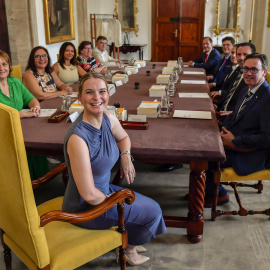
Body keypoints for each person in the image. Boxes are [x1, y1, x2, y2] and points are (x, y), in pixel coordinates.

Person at [62, 72, 166, 266]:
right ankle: (129, 250)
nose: (97, 97)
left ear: (108, 93)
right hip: (85, 208)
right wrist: (117, 201)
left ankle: (128, 238)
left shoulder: (108, 118)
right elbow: (89, 195)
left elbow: (123, 137)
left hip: (104, 192)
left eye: (102, 91)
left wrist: (126, 156)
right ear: (80, 97)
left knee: (150, 207)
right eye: (89, 92)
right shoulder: (78, 139)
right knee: (152, 212)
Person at [205, 53, 270, 207]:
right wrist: (223, 131)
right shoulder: (247, 89)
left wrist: (234, 140)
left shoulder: (267, 98)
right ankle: (204, 189)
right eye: (246, 69)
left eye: (254, 69)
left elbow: (267, 138)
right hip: (236, 140)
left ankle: (218, 194)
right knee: (203, 139)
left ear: (264, 72)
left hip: (253, 152)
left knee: (205, 156)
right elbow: (234, 115)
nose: (248, 73)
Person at [0, 50, 48, 179]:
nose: (1, 68)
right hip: (5, 131)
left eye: (4, 64)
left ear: (9, 66)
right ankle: (22, 182)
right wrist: (23, 114)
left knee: (40, 135)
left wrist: (36, 107)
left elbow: (31, 99)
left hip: (26, 126)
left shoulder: (15, 82)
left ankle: (41, 178)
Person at [213, 42, 256, 118]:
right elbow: (229, 94)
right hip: (221, 114)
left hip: (231, 119)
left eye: (245, 54)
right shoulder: (238, 71)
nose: (241, 58)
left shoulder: (253, 78)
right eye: (239, 54)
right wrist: (215, 106)